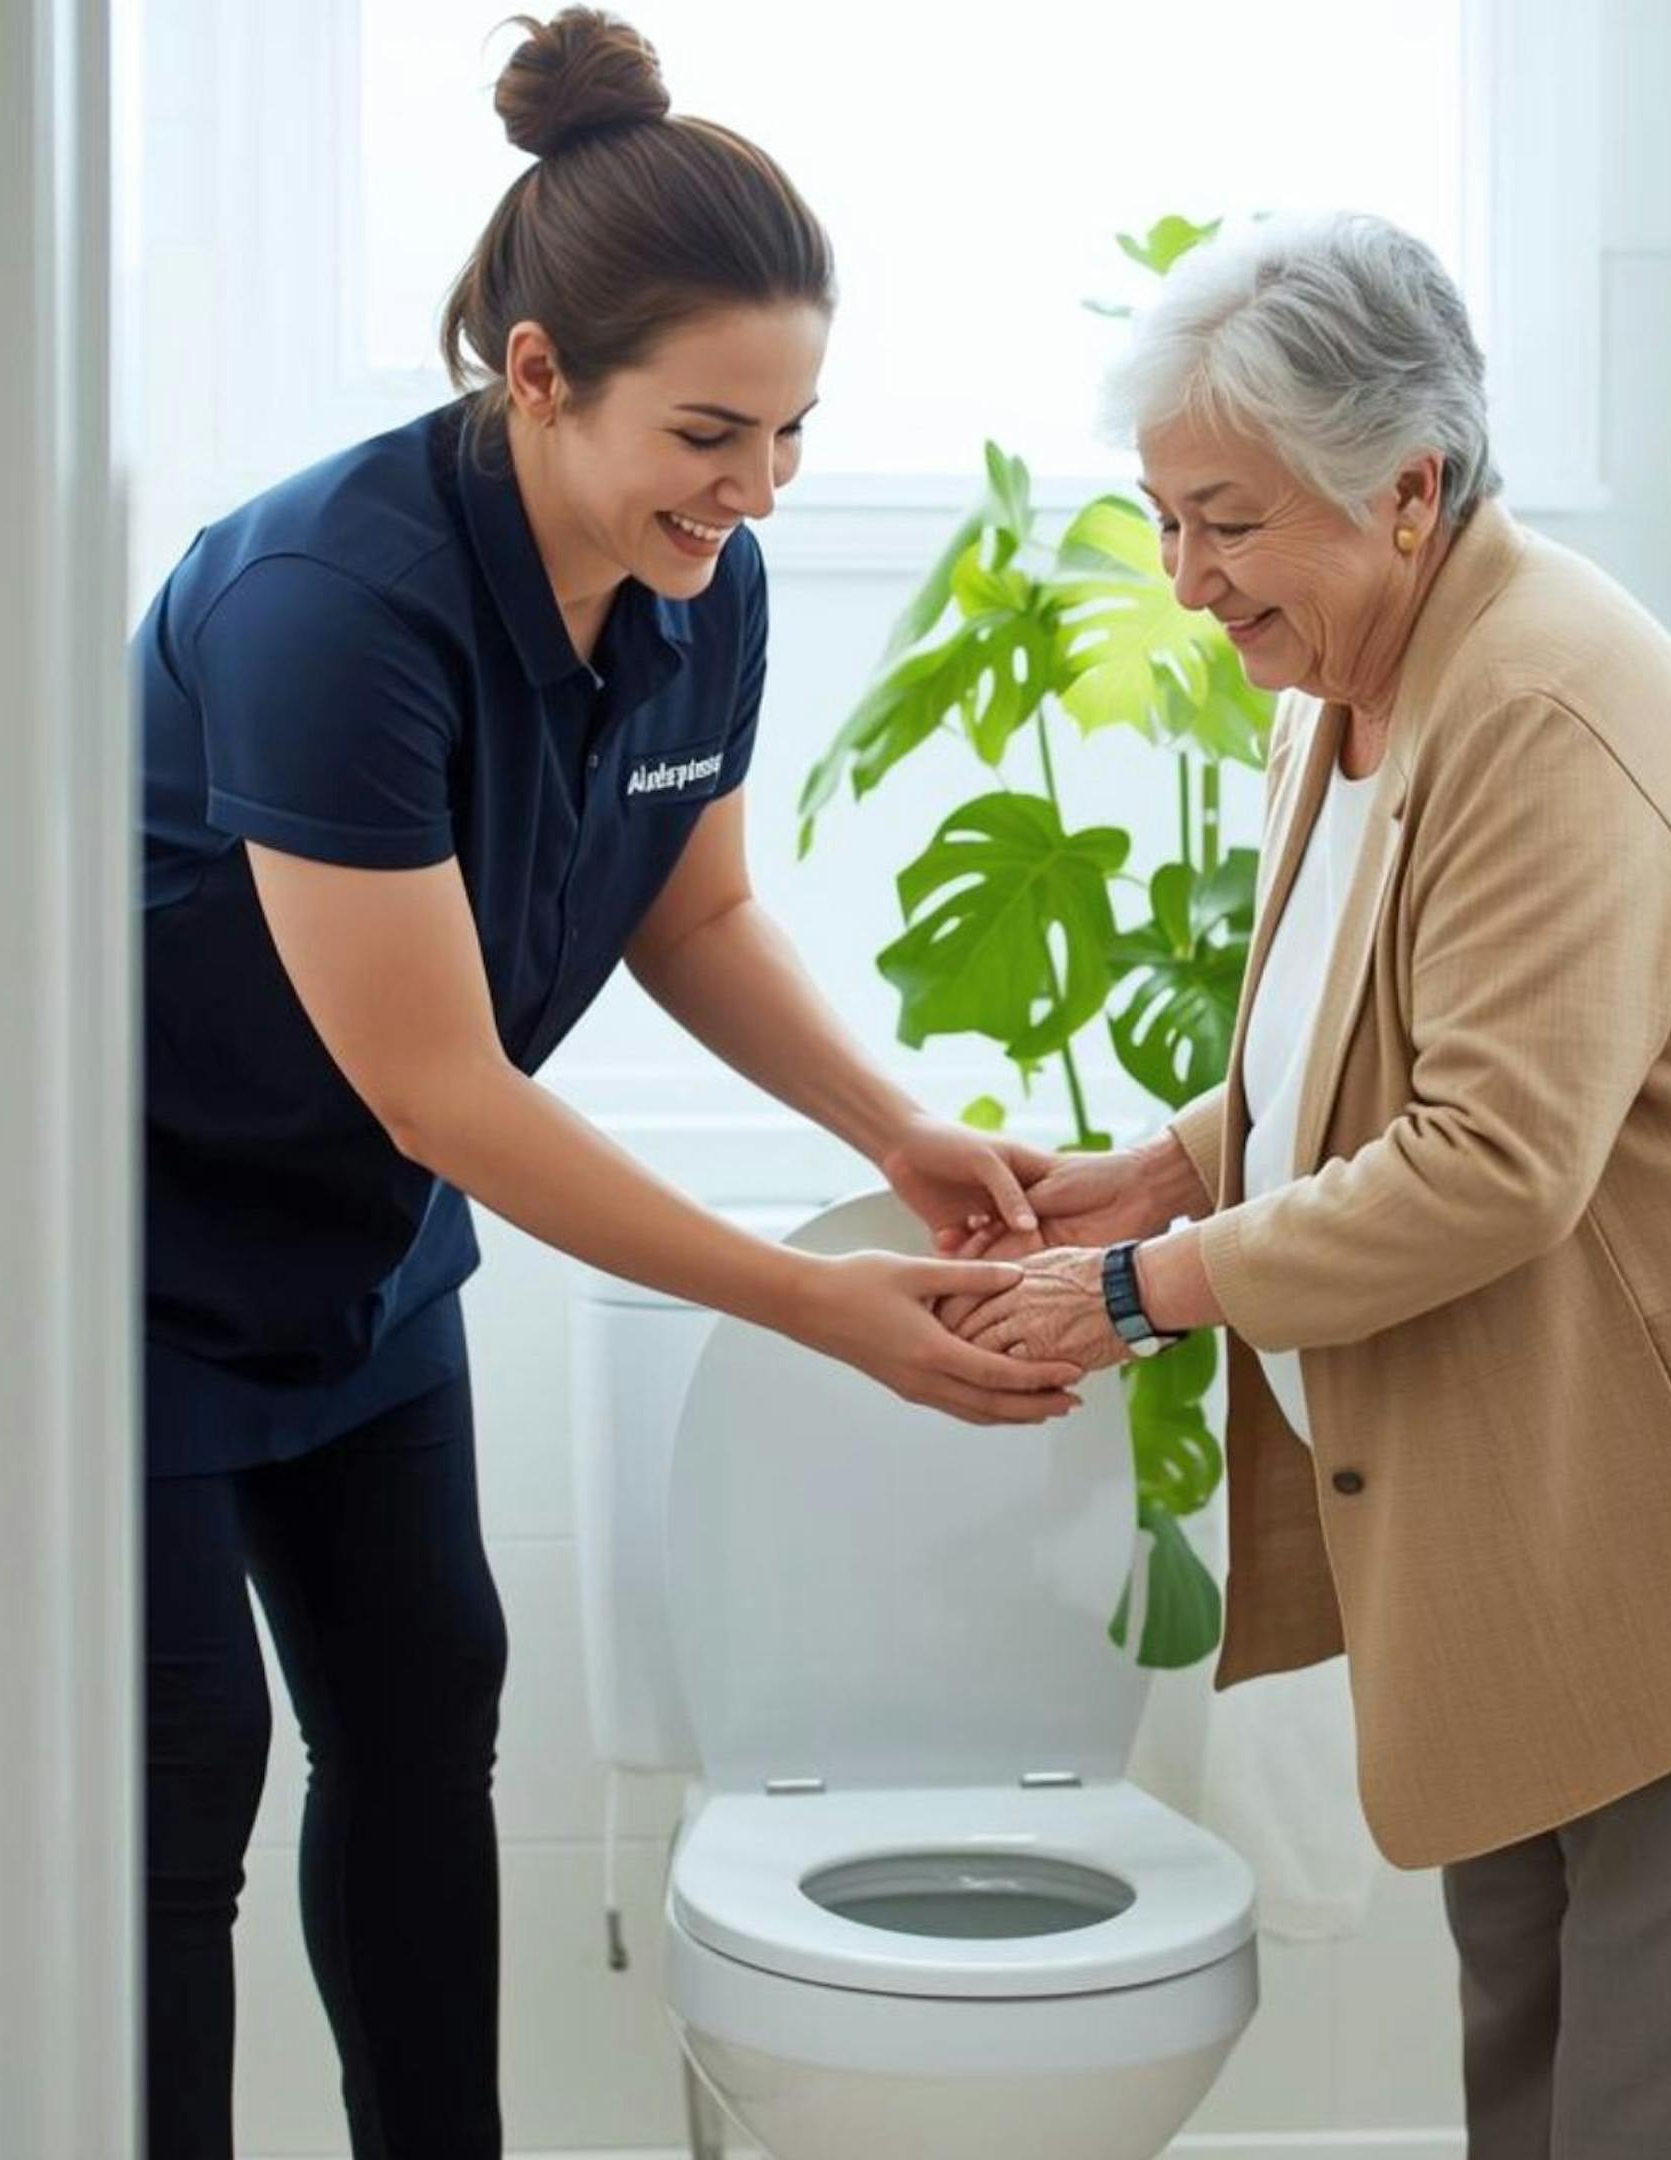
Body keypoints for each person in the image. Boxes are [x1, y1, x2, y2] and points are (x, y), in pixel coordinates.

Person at [129, 14, 1079, 2153]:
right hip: (132, 1264)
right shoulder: (327, 603)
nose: (756, 494)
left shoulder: (691, 586)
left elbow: (695, 915)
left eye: (798, 432)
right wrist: (813, 1300)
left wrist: (895, 1128)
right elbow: (445, 1090)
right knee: (182, 1784)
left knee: (422, 1723)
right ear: (537, 374)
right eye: (714, 431)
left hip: (361, 1274)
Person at [952, 213, 1671, 2158]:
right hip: (1522, 1522)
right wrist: (1155, 1172)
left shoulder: (1536, 707)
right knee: (1528, 2097)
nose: (1184, 581)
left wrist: (1144, 1292)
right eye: (1162, 521)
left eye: (1225, 523)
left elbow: (1495, 1156)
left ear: (1407, 489)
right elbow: (1361, 1046)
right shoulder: (1360, 687)